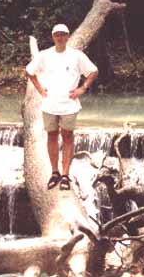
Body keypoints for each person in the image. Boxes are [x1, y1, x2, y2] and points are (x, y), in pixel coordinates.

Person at [25, 23, 98, 190]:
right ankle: (54, 172)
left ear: (67, 36)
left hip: (69, 105)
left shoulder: (76, 55)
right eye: (57, 35)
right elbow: (29, 71)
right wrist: (40, 89)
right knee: (51, 136)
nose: (60, 37)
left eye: (63, 34)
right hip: (49, 104)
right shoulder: (44, 55)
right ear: (53, 37)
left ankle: (65, 174)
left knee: (67, 137)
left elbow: (93, 71)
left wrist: (82, 88)